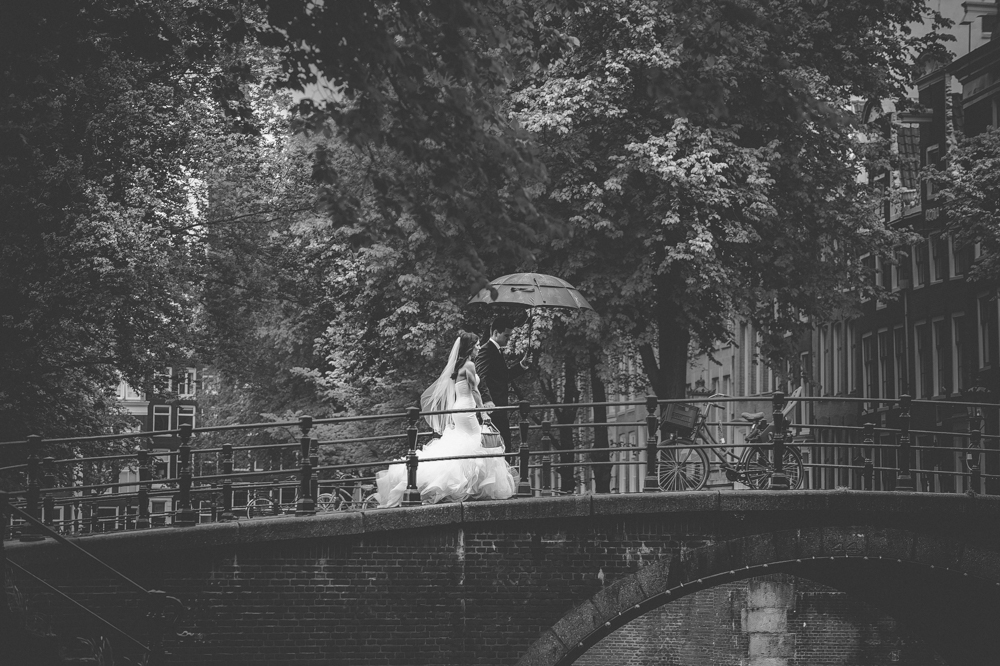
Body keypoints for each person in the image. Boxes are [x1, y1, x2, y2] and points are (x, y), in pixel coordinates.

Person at [375, 331, 517, 507]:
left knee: (465, 444)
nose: (479, 348)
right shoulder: (470, 365)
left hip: (460, 408)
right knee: (475, 444)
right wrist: (484, 412)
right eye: (477, 345)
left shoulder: (459, 366)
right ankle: (465, 487)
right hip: (468, 410)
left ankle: (463, 485)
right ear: (470, 348)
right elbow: (474, 390)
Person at [475, 315, 529, 452]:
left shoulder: (496, 350)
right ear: (495, 333)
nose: (508, 339)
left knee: (503, 445)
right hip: (493, 407)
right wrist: (486, 400)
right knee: (500, 446)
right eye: (506, 335)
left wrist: (521, 365)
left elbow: (504, 376)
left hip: (499, 406)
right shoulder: (487, 350)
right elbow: (479, 376)